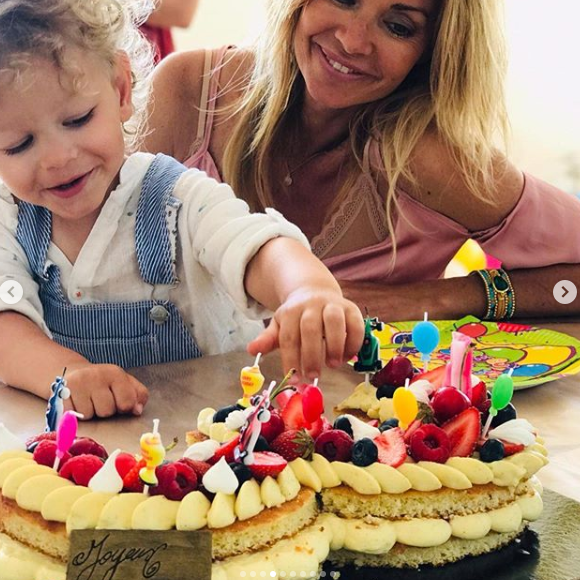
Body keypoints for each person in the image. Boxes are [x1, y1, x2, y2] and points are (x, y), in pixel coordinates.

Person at [0, 0, 364, 420]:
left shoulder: (176, 198)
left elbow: (257, 247)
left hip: (216, 444)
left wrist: (305, 291)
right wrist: (68, 375)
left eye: (79, 119)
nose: (58, 158)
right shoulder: (11, 218)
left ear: (120, 90)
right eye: (18, 145)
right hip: (99, 459)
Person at [145, 0, 580, 324]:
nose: (353, 41)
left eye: (397, 26)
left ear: (432, 50)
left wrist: (435, 298)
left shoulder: (427, 162)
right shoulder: (190, 92)